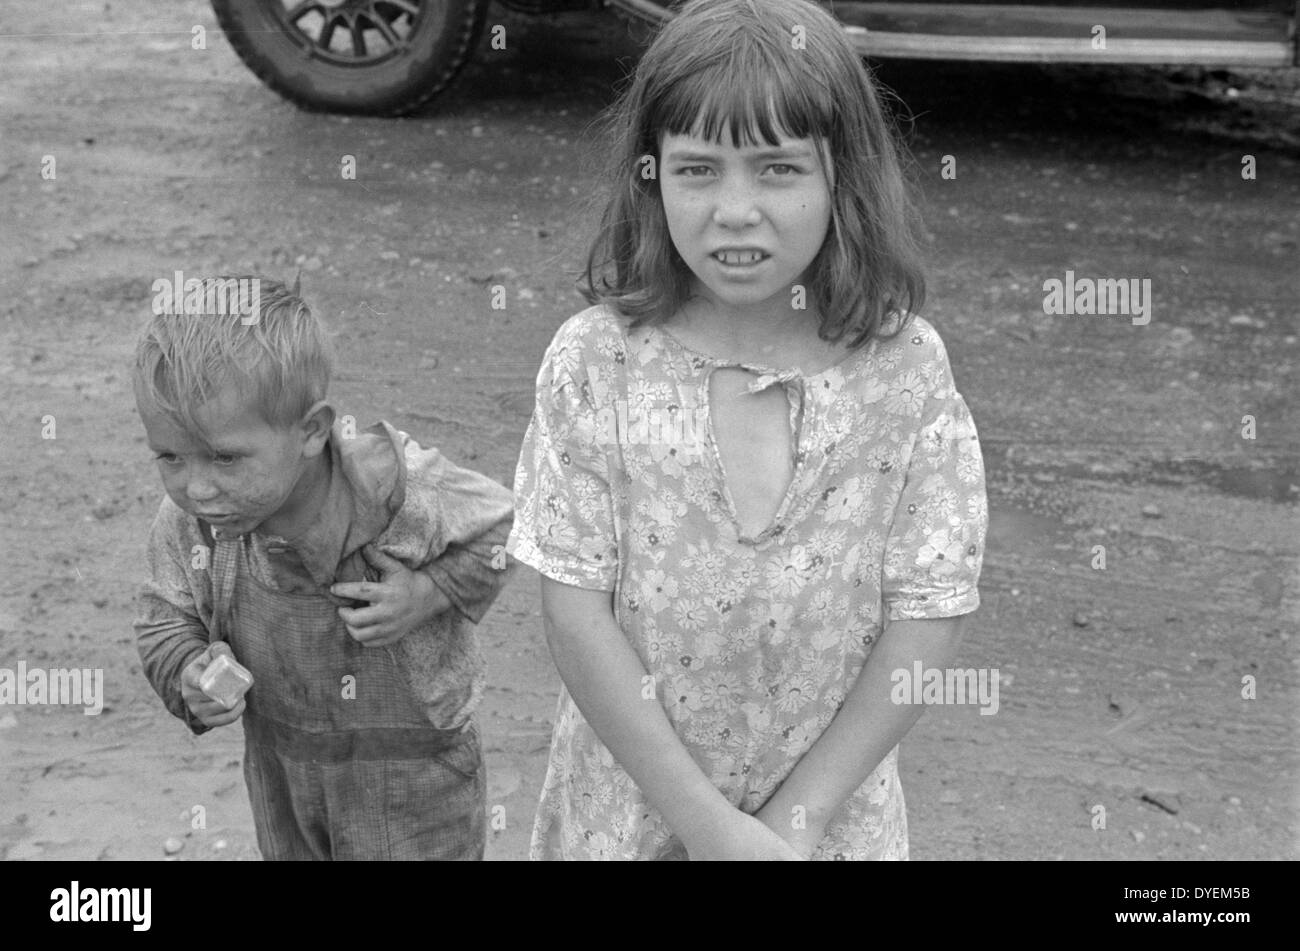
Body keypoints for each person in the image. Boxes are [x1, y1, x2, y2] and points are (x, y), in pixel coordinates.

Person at [507, 0, 988, 860]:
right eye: (697, 170)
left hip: (831, 825)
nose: (735, 209)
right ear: (649, 177)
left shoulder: (905, 370)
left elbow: (930, 612)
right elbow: (574, 615)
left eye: (777, 169)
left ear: (845, 176)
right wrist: (711, 830)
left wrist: (792, 826)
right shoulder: (594, 364)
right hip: (627, 817)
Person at [132, 276, 515, 860]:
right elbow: (164, 615)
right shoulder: (193, 522)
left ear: (311, 430)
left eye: (226, 457)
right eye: (170, 458)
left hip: (416, 782)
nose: (198, 487)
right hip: (283, 771)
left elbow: (512, 528)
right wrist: (189, 671)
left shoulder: (392, 489)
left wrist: (429, 592)